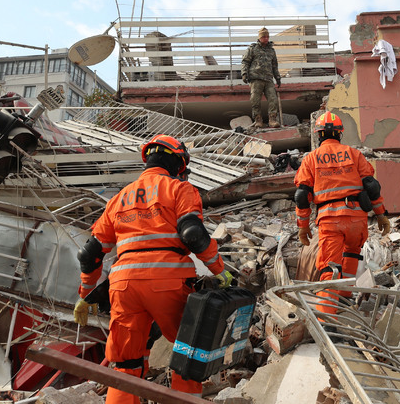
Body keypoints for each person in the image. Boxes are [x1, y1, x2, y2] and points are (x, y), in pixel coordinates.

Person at [73, 134, 232, 403]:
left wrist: (85, 295)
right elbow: (193, 234)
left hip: (123, 286)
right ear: (177, 162)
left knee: (126, 363)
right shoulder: (179, 189)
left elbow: (89, 255)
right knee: (189, 354)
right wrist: (218, 269)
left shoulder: (119, 198)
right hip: (167, 281)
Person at [294, 112, 391, 315]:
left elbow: (302, 196)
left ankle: (327, 321)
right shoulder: (354, 154)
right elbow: (372, 187)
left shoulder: (311, 159)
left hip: (330, 219)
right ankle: (345, 301)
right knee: (351, 254)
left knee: (329, 268)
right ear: (340, 134)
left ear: (319, 135)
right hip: (357, 218)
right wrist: (381, 214)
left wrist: (303, 227)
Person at [241, 27, 282, 128]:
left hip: (268, 79)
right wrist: (244, 73)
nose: (266, 38)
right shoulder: (253, 49)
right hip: (256, 78)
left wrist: (277, 78)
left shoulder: (271, 51)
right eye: (264, 37)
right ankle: (258, 120)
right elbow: (245, 61)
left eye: (267, 36)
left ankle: (272, 119)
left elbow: (274, 66)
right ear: (259, 38)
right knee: (255, 100)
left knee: (273, 99)